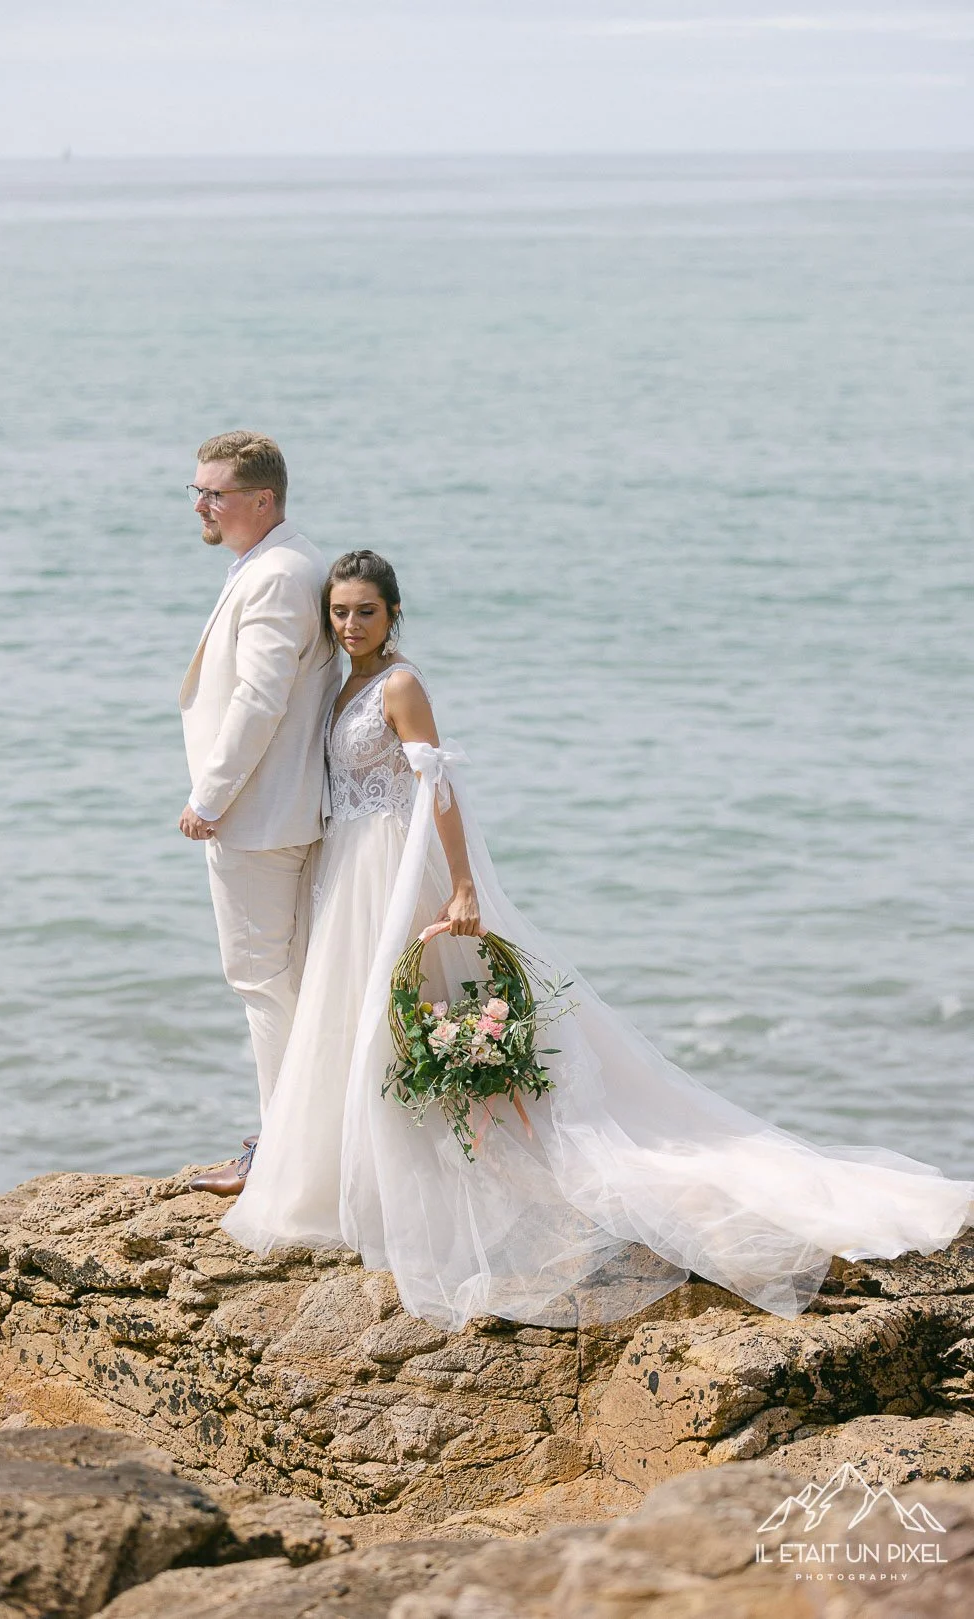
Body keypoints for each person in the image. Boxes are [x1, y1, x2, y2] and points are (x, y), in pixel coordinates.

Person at [218, 550, 974, 1331]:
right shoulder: (342, 680)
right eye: (339, 611)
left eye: (365, 611)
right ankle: (356, 1180)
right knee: (355, 1026)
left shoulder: (401, 684)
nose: (350, 624)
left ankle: (419, 1189)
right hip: (346, 868)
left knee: (397, 1019)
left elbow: (437, 786)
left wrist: (465, 885)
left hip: (391, 870)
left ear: (393, 613)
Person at [177, 431, 339, 1197]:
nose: (202, 504)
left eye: (216, 492)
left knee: (262, 982)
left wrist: (211, 796)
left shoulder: (278, 573)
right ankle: (298, 1135)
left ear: (263, 499)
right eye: (197, 490)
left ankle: (281, 1152)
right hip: (277, 811)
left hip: (258, 815)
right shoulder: (282, 560)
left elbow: (259, 697)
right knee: (286, 982)